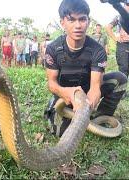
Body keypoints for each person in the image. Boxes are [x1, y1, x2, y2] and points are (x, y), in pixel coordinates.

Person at [44, 0, 127, 137]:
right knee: (61, 132)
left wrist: (86, 106)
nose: (78, 25)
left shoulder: (97, 50)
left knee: (120, 79)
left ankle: (99, 117)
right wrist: (67, 93)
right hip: (64, 96)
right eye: (71, 20)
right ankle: (71, 116)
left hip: (87, 93)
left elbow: (95, 87)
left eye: (82, 19)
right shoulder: (53, 49)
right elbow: (52, 84)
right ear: (62, 22)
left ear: (88, 21)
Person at [106, 3, 129, 77]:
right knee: (124, 69)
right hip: (123, 46)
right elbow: (108, 27)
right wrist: (115, 38)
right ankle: (122, 88)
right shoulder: (119, 17)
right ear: (124, 6)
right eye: (127, 5)